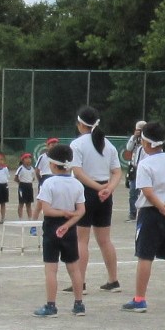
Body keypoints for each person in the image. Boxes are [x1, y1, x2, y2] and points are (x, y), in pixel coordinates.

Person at [121, 123, 165, 312]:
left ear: (147, 143)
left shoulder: (145, 164)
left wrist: (164, 208)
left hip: (151, 213)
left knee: (145, 256)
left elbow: (148, 193)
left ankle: (139, 299)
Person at [71, 106, 124, 291]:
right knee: (105, 240)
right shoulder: (107, 144)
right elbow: (117, 172)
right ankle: (113, 280)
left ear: (80, 124)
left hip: (86, 192)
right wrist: (108, 188)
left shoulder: (77, 144)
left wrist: (98, 187)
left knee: (81, 240)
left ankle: (80, 282)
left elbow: (77, 172)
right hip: (105, 195)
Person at [32, 143, 87, 318]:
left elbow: (46, 210)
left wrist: (62, 214)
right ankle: (79, 304)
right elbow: (81, 211)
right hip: (69, 228)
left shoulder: (48, 183)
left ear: (53, 165)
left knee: (51, 268)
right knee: (74, 268)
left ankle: (51, 305)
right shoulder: (77, 184)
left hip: (52, 227)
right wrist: (68, 223)